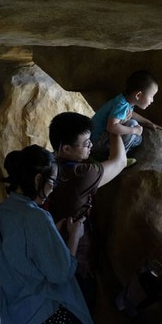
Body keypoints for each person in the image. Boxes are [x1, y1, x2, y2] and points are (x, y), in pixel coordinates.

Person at [0, 145, 103, 324]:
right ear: (37, 180)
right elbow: (61, 273)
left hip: (17, 318)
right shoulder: (36, 216)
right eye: (52, 182)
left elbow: (21, 255)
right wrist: (74, 236)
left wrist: (53, 235)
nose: (52, 189)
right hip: (44, 318)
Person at [46, 111, 127, 313]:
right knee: (78, 319)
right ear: (66, 148)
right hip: (77, 261)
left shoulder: (48, 166)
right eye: (86, 143)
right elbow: (119, 161)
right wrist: (115, 130)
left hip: (48, 257)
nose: (91, 145)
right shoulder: (82, 173)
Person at [90, 70, 162, 164]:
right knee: (132, 125)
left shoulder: (123, 100)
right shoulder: (121, 105)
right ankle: (117, 159)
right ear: (138, 95)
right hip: (96, 143)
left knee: (137, 139)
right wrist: (134, 130)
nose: (152, 100)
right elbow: (111, 127)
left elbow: (131, 114)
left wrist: (148, 123)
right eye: (151, 96)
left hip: (95, 141)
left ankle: (110, 154)